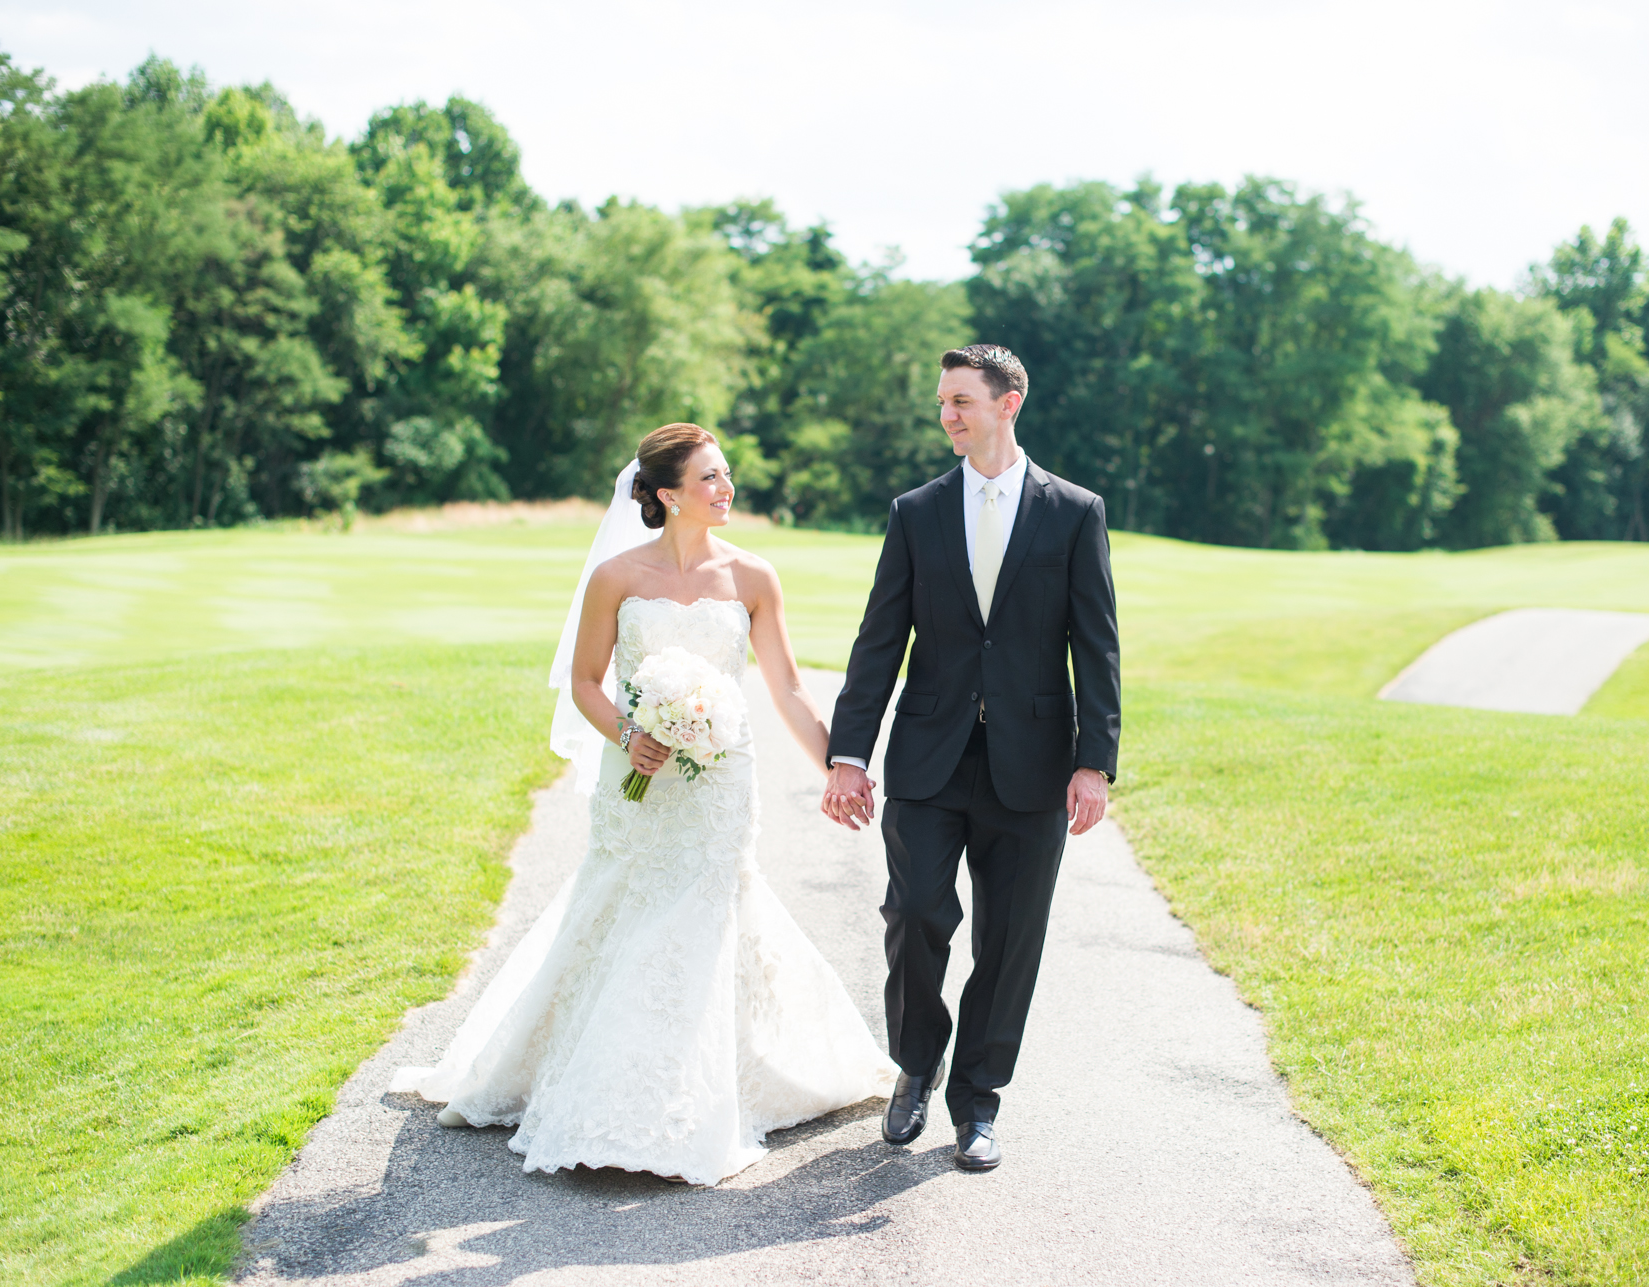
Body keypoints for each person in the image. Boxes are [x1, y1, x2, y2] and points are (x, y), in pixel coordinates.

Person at [391, 422, 896, 1187]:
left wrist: (840, 766)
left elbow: (788, 688)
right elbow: (587, 680)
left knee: (707, 911)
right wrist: (632, 734)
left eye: (727, 475)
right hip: (636, 779)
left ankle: (690, 1092)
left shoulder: (754, 576)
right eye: (710, 479)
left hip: (723, 783)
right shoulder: (617, 577)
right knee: (626, 903)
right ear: (667, 494)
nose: (727, 489)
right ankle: (598, 1084)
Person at [821, 345, 1120, 1172]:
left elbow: (1097, 646)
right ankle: (918, 1065)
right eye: (944, 402)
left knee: (1011, 935)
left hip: (1032, 763)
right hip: (929, 755)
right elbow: (880, 637)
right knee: (916, 912)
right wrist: (850, 752)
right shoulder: (915, 511)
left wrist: (1093, 762)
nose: (948, 414)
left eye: (961, 400)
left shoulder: (1075, 511)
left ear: (1008, 402)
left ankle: (979, 1100)